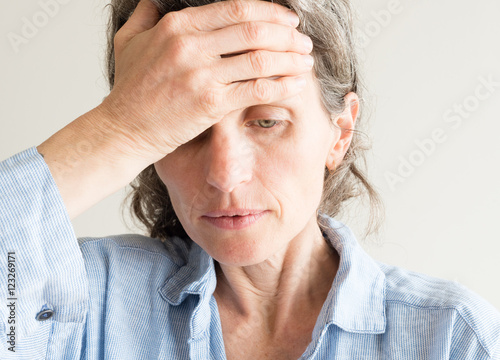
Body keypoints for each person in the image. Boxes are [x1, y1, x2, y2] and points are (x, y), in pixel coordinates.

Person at [1, 0, 499, 359]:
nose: (224, 175)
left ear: (339, 132)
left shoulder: (452, 338)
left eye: (266, 122)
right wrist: (117, 129)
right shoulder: (79, 302)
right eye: (187, 128)